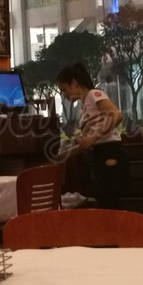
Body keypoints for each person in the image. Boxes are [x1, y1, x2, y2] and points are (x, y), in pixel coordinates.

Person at [55, 62, 129, 209]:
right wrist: (62, 155)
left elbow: (116, 115)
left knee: (109, 203)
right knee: (103, 202)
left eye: (64, 89)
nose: (64, 94)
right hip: (99, 155)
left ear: (74, 83)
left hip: (111, 151)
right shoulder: (83, 107)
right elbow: (86, 143)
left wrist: (92, 138)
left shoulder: (94, 94)